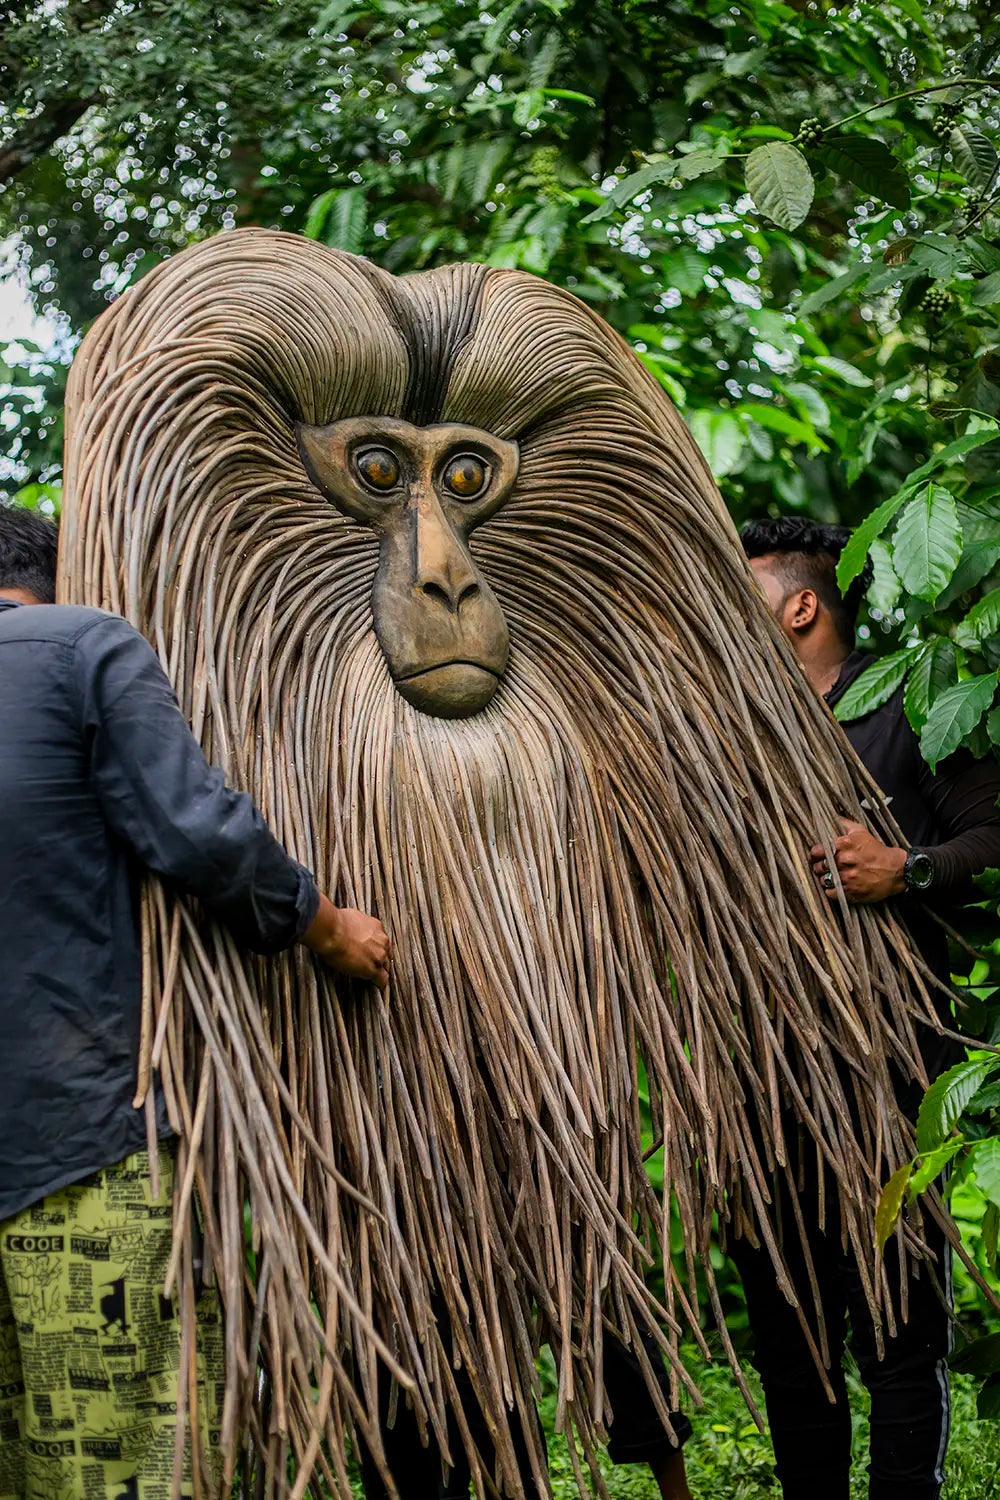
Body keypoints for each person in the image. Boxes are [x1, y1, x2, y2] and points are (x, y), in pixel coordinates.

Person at [0, 505, 390, 1500]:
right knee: (133, 1466)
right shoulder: (78, 644)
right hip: (74, 1154)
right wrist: (326, 925)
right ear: (58, 575)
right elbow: (199, 836)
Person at [738, 516, 1000, 1500]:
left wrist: (906, 867)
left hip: (892, 1077)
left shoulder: (904, 708)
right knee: (789, 1336)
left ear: (801, 605)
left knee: (896, 1333)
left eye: (745, 587)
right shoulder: (729, 733)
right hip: (757, 1082)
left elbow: (991, 837)